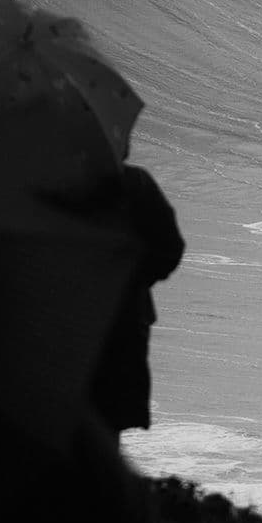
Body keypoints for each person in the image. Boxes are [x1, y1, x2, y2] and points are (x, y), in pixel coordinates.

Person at [89, 160, 186, 437]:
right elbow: (170, 249)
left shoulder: (30, 184)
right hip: (121, 322)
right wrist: (131, 280)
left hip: (44, 327)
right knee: (107, 424)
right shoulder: (132, 183)